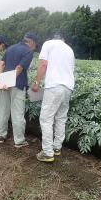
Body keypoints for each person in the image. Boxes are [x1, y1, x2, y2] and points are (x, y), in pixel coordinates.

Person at [31, 33, 75, 162]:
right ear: (63, 39)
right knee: (61, 118)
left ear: (52, 38)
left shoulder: (48, 44)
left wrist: (37, 82)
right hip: (68, 87)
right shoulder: (69, 49)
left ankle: (47, 153)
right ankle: (56, 148)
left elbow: (43, 64)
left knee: (46, 119)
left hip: (54, 86)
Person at [0, 32, 38, 147]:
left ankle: (1, 136)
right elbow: (19, 68)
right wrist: (10, 81)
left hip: (4, 84)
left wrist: (0, 80)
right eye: (35, 46)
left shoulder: (11, 48)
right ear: (31, 42)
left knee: (2, 110)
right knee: (17, 113)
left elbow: (1, 64)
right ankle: (19, 141)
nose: (34, 49)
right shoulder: (28, 51)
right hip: (17, 85)